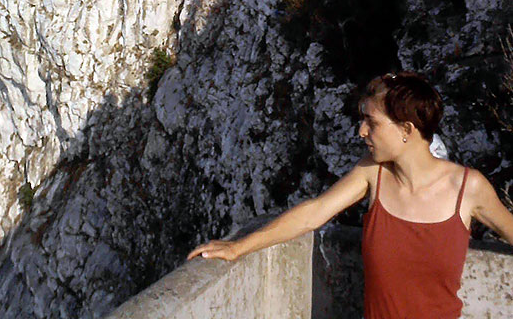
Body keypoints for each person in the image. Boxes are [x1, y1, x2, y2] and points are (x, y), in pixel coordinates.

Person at [188, 71, 513, 318]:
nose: (361, 131)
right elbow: (314, 212)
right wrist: (239, 247)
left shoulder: (468, 188)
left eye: (371, 122)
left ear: (406, 130)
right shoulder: (373, 173)